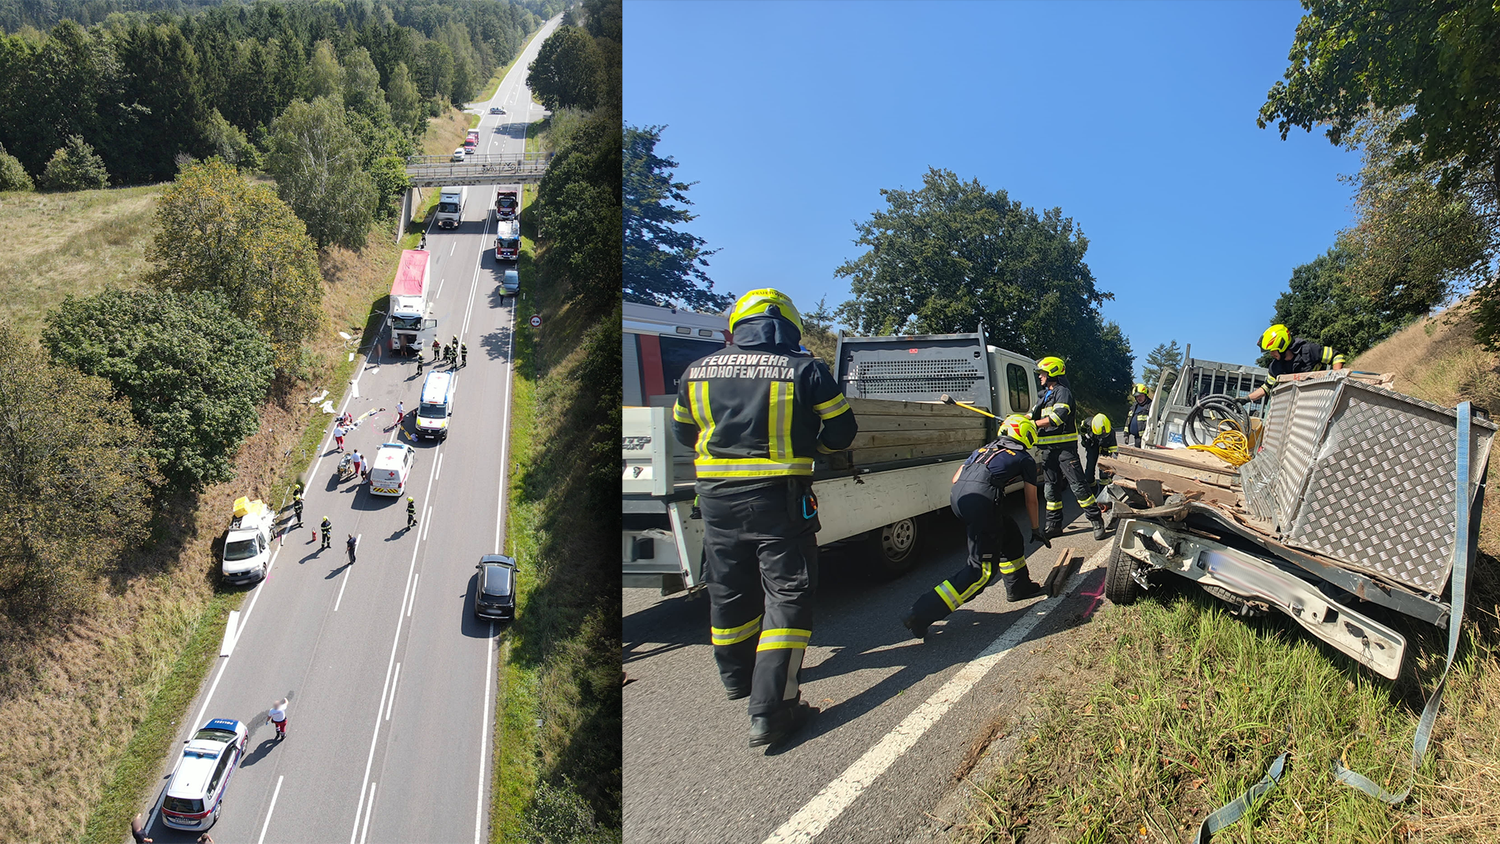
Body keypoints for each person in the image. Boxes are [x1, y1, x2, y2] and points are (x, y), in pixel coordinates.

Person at [672, 288, 857, 750]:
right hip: (779, 498)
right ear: (789, 327)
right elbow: (842, 431)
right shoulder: (806, 370)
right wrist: (811, 447)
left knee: (728, 587)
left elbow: (681, 431)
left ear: (737, 326)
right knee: (788, 594)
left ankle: (736, 678)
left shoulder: (697, 371)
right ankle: (772, 708)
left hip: (715, 498)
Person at [902, 415, 1049, 640]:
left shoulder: (983, 450)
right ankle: (920, 613)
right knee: (980, 572)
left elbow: (955, 478)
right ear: (1026, 435)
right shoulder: (1023, 458)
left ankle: (1018, 586)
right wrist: (1037, 529)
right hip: (982, 504)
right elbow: (1031, 499)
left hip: (959, 500)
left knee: (1008, 533)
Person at [1029, 356, 1107, 540]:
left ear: (1052, 373)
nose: (1040, 376)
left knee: (1079, 488)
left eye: (1042, 373)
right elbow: (1030, 416)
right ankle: (1054, 525)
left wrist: (1034, 424)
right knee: (1050, 490)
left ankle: (1096, 521)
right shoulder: (1043, 397)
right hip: (1048, 450)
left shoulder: (1063, 392)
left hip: (1065, 450)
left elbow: (1058, 418)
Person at [1243, 324, 1340, 403]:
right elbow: (1266, 388)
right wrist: (1245, 399)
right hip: (1300, 405)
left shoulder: (1308, 350)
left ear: (1282, 346)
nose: (1271, 354)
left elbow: (1336, 356)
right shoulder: (1275, 367)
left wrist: (1336, 381)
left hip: (1322, 399)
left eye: (1273, 350)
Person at [1079, 413, 1118, 513]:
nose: (1102, 436)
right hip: (1092, 444)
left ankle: (1103, 497)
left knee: (1104, 474)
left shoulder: (1111, 433)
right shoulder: (1087, 423)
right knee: (1089, 471)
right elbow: (1082, 429)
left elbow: (1114, 452)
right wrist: (1084, 439)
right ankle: (1092, 492)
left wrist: (1111, 467)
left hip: (1105, 448)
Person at [1124, 384, 1151, 448]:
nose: (1139, 398)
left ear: (1145, 395)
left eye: (1141, 396)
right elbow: (1128, 420)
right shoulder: (1134, 406)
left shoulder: (1151, 406)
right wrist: (1126, 435)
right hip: (1137, 439)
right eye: (1137, 396)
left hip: (1146, 439)